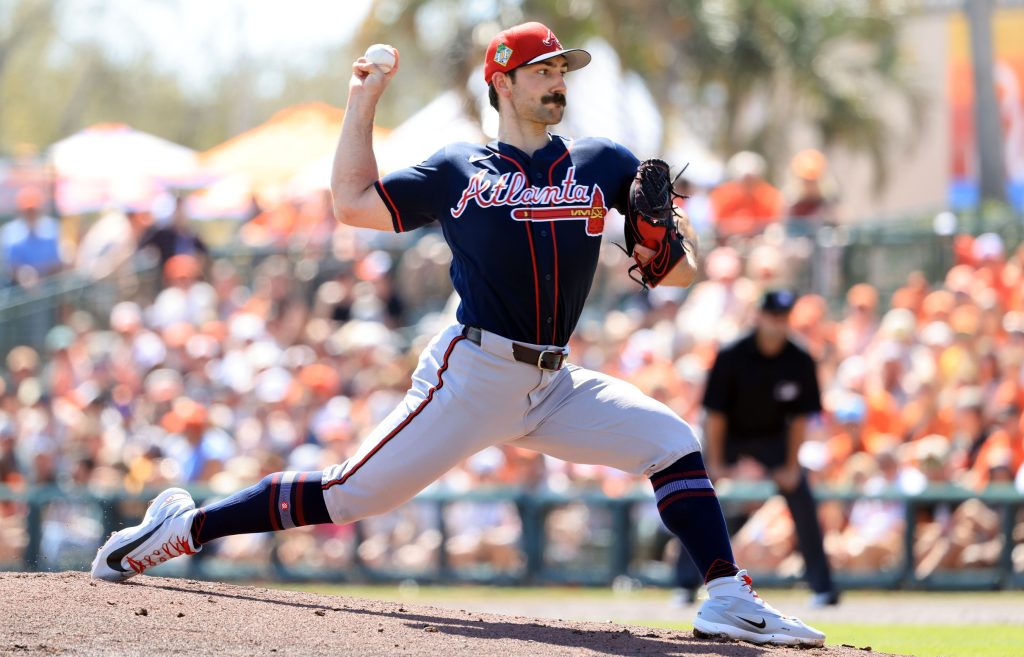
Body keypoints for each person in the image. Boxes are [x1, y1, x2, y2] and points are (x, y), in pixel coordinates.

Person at [91, 22, 824, 647]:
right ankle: (183, 526)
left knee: (672, 441)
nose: (557, 80)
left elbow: (678, 276)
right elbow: (351, 204)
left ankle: (727, 595)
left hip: (555, 380)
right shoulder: (457, 168)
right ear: (501, 81)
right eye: (543, 69)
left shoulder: (603, 164)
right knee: (351, 494)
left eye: (563, 69)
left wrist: (663, 237)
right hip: (473, 373)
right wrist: (363, 101)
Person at [694, 289, 839, 607]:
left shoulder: (800, 358)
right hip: (730, 436)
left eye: (784, 317)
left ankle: (823, 587)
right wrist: (716, 462)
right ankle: (684, 581)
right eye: (773, 316)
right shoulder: (732, 354)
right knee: (697, 489)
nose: (778, 323)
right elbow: (715, 414)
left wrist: (790, 465)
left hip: (774, 438)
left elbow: (800, 418)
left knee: (800, 490)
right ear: (759, 316)